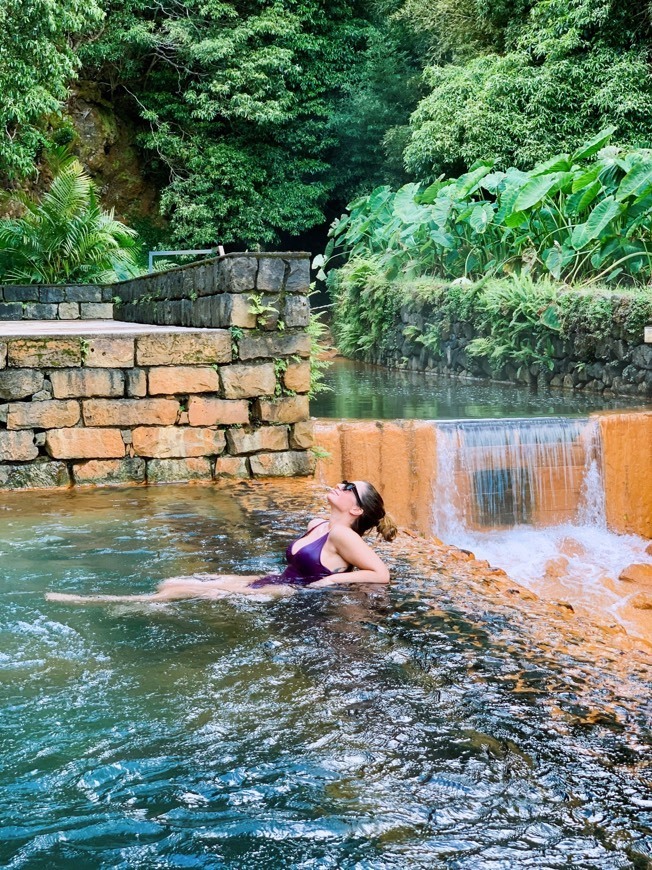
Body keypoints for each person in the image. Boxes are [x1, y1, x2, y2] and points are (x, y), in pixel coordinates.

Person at [45, 481, 398, 604]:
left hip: (291, 593)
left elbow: (380, 573)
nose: (341, 484)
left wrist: (333, 580)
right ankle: (152, 603)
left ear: (355, 508)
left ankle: (95, 601)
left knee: (177, 589)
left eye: (349, 487)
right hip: (277, 581)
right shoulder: (318, 523)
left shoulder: (342, 535)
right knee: (173, 582)